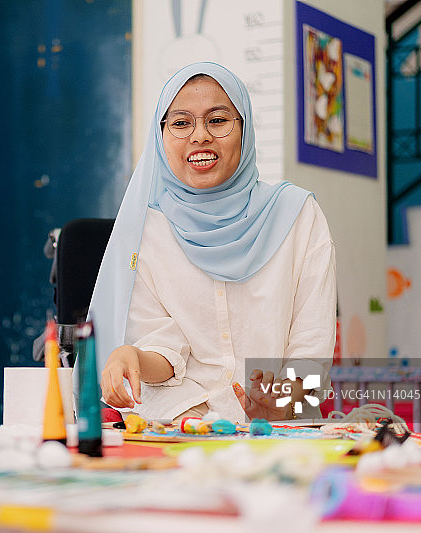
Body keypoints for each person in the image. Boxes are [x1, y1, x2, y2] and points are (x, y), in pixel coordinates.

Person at [88, 62, 336, 424]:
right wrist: (132, 357)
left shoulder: (298, 216)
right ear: (161, 136)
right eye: (180, 122)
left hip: (278, 434)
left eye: (218, 120)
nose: (199, 136)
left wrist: (282, 403)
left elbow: (311, 345)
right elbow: (163, 349)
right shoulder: (145, 232)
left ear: (244, 130)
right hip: (178, 428)